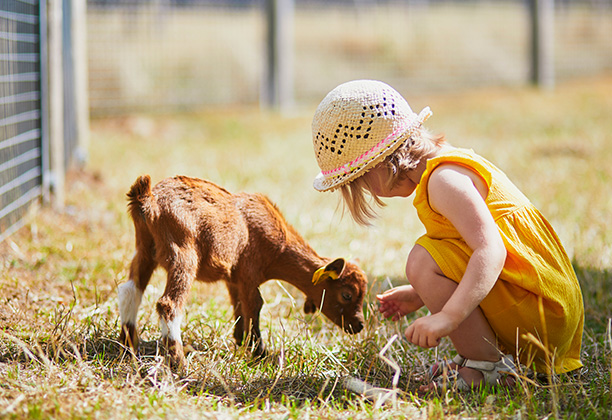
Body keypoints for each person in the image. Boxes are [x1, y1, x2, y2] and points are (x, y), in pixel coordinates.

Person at [310, 80, 583, 391]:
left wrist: (450, 316)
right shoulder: (444, 166)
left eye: (362, 180)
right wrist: (419, 293)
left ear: (384, 160)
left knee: (422, 260)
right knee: (427, 262)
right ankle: (485, 360)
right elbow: (472, 249)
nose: (371, 192)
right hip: (543, 309)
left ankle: (484, 368)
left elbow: (492, 250)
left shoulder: (444, 181)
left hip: (542, 316)